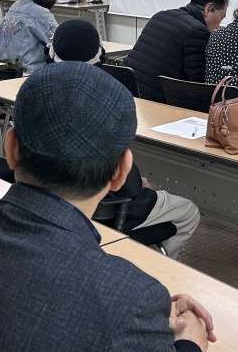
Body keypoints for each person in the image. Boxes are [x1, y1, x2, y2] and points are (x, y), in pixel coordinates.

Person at [0, 62, 223, 352]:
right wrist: (189, 347)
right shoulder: (128, 297)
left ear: (10, 148)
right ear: (122, 172)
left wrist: (142, 329)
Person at [48, 19, 200, 258]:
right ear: (99, 58)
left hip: (52, 204)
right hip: (102, 210)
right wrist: (138, 184)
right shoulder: (106, 103)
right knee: (189, 211)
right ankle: (154, 272)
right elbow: (126, 185)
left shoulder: (40, 95)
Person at [125, 0, 230, 101]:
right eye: (221, 18)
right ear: (208, 9)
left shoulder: (160, 15)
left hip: (130, 92)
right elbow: (197, 85)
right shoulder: (197, 31)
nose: (218, 26)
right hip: (156, 102)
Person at [0, 0, 59, 73]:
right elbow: (61, 41)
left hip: (3, 69)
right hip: (26, 72)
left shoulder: (16, 5)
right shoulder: (40, 12)